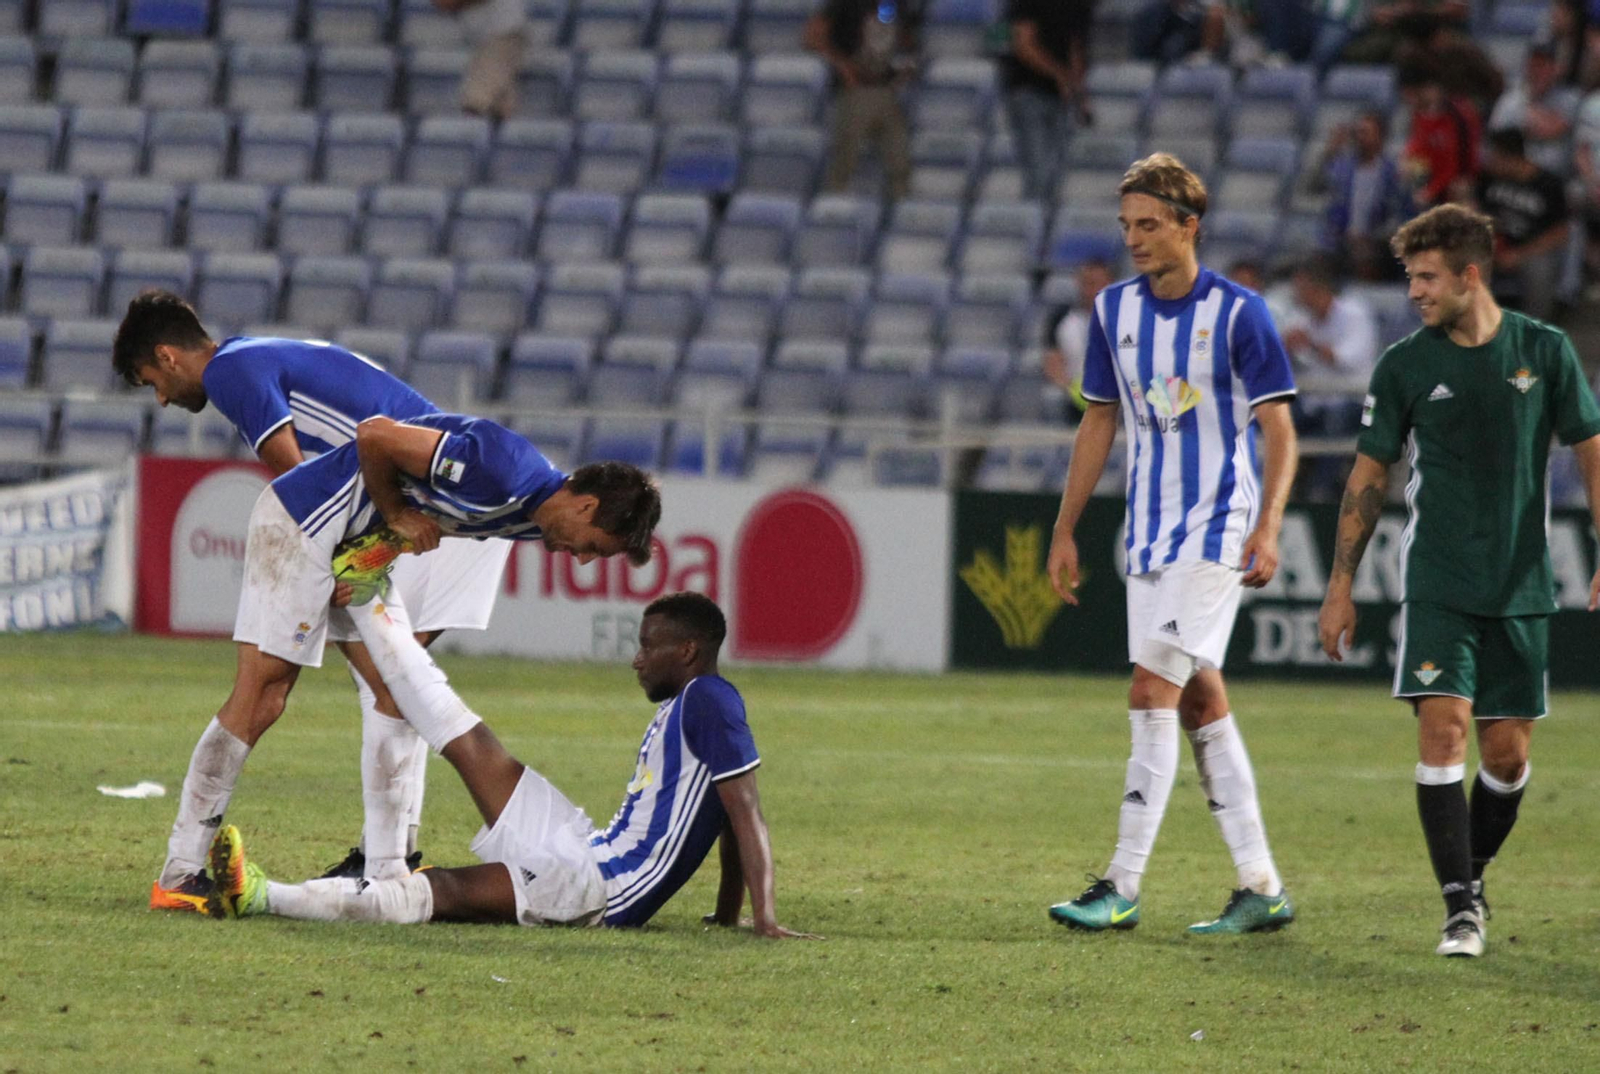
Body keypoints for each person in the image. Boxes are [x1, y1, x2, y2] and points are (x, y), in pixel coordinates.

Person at [146, 406, 661, 916]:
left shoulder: (533, 520)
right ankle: (179, 873)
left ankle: (385, 871)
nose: (584, 559)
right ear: (586, 506)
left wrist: (378, 549)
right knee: (263, 695)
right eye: (593, 546)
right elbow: (375, 437)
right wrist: (394, 516)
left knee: (395, 695)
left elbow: (430, 507)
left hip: (354, 546)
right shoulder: (503, 468)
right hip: (305, 518)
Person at [114, 291, 509, 903]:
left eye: (152, 383)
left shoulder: (230, 371)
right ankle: (385, 868)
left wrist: (349, 555)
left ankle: (181, 870)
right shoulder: (261, 355)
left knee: (266, 695)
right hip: (451, 515)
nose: (162, 399)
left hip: (411, 514)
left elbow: (299, 484)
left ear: (167, 356)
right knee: (390, 690)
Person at [1317, 203, 1600, 958]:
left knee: (1506, 757)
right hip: (1438, 581)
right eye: (1410, 277)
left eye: (1427, 277)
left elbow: (1590, 447)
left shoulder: (1543, 351)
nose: (1413, 291)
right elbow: (1369, 475)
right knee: (1443, 732)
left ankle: (1470, 876)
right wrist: (1340, 585)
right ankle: (1459, 911)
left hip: (1520, 584)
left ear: (1470, 275)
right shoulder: (1405, 363)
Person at [204, 593, 816, 940]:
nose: (635, 660)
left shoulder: (711, 699)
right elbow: (727, 811)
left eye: (647, 646)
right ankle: (357, 617)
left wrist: (762, 918)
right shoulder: (690, 703)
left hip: (599, 886)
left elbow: (745, 809)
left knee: (440, 891)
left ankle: (264, 895)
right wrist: (731, 911)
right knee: (476, 747)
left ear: (686, 651)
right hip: (587, 843)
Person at [1044, 153, 1299, 935]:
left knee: (1150, 690)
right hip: (1148, 533)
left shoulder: (1240, 313)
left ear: (1191, 226)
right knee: (1199, 698)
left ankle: (1121, 884)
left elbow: (1278, 429)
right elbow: (1099, 420)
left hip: (1218, 528)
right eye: (1126, 226)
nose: (1135, 240)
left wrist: (1269, 525)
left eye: (1149, 225)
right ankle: (1261, 886)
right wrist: (1065, 526)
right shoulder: (1112, 312)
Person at [806, 0, 919, 200]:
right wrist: (843, 67)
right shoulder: (845, 5)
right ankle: (834, 209)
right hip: (855, 91)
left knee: (899, 160)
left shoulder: (897, 5)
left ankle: (899, 212)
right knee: (844, 160)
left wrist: (906, 68)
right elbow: (813, 36)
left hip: (887, 92)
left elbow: (907, 40)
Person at [1473, 127, 1573, 322]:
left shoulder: (1547, 184)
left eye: (1494, 156)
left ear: (1509, 158)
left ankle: (1535, 331)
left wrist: (1519, 255)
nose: (1489, 161)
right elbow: (1476, 212)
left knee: (1540, 268)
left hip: (1530, 251)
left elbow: (1560, 233)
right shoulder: (1487, 178)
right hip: (1493, 246)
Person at [1001, 0, 1092, 203]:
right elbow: (1023, 44)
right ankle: (1034, 226)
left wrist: (1080, 93)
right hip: (1028, 92)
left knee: (1056, 174)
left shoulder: (1078, 5)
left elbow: (1076, 47)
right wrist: (1060, 75)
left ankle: (1045, 226)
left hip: (1062, 98)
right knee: (1038, 173)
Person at [1309, 110, 1415, 279]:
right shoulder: (1342, 168)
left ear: (1381, 137)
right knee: (1316, 258)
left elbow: (1401, 214)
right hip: (1340, 239)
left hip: (1376, 242)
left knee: (1365, 257)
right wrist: (1329, 153)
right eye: (1358, 132)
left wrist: (1373, 236)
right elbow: (1312, 187)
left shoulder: (1392, 173)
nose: (1360, 137)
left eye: (1366, 133)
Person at [1487, 44, 1580, 176]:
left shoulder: (1571, 98)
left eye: (1544, 65)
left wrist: (1527, 119)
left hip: (1558, 179)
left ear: (1556, 69)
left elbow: (1552, 129)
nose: (1538, 71)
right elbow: (1498, 142)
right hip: (1521, 179)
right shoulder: (1510, 100)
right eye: (1534, 65)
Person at [1400, 59, 1481, 209]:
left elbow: (1455, 166)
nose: (1409, 100)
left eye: (1413, 94)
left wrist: (1430, 191)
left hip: (1459, 185)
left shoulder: (1458, 116)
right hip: (1431, 182)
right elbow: (1417, 149)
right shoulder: (1419, 116)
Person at [1041, 258, 1114, 417]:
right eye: (1087, 283)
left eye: (1097, 283)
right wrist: (1071, 389)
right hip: (1074, 397)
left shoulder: (1125, 320)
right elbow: (1053, 363)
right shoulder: (1060, 319)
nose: (1091, 290)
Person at [432, 0, 528, 120]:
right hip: (483, 39)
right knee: (499, 103)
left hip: (504, 32)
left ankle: (471, 132)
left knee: (476, 100)